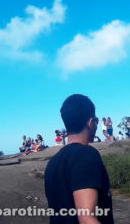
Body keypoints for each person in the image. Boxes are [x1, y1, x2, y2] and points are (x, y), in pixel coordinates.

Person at [45, 94, 113, 224]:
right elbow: (87, 219)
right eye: (96, 120)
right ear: (90, 122)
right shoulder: (86, 155)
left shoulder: (53, 163)